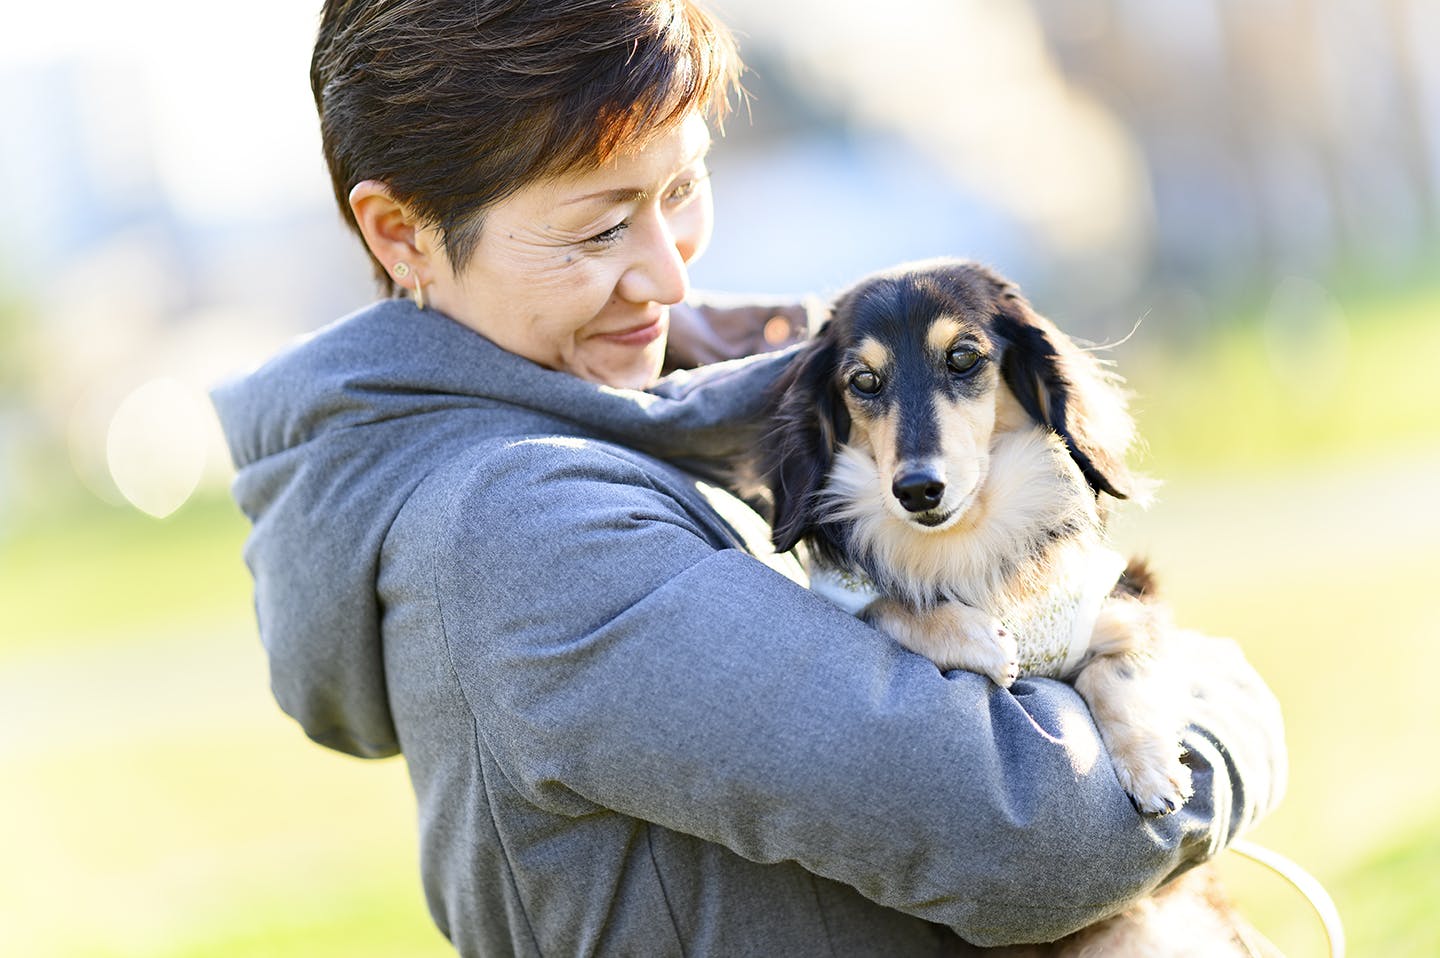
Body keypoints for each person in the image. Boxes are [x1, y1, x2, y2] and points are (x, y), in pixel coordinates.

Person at [212, 2, 1286, 955]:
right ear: (401, 234)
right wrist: (1227, 700)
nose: (671, 274)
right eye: (599, 226)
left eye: (683, 187)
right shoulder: (520, 527)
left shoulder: (639, 425)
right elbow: (1040, 841)